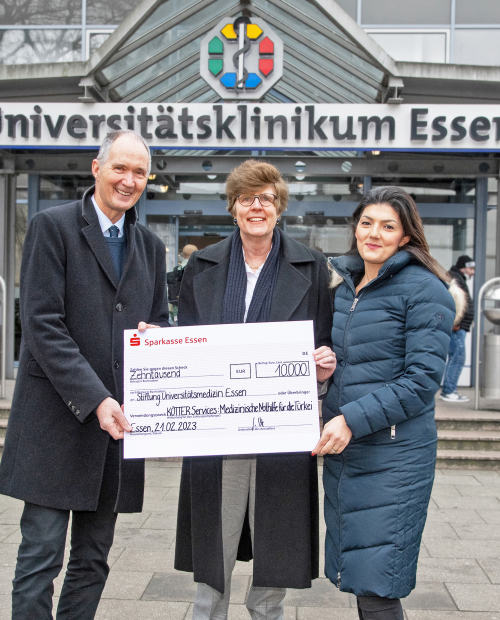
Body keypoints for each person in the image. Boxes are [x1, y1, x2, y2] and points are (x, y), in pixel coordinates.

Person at [0, 129, 170, 620]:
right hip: (58, 421)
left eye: (140, 172)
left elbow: (155, 321)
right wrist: (96, 398)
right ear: (97, 168)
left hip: (116, 431)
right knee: (40, 558)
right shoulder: (51, 227)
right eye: (120, 168)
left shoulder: (150, 247)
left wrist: (154, 336)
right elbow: (41, 324)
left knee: (93, 560)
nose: (129, 180)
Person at [174, 160, 336, 620]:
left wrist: (323, 366)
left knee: (276, 551)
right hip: (215, 431)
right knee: (213, 556)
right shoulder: (201, 266)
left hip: (280, 428)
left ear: (279, 207)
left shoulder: (312, 265)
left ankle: (267, 613)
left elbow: (321, 339)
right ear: (233, 207)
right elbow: (185, 340)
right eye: (247, 198)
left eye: (266, 198)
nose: (257, 206)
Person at [313, 187, 465, 620]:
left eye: (387, 226)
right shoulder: (346, 287)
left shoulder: (424, 289)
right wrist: (327, 373)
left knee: (379, 585)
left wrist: (349, 421)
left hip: (395, 455)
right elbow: (359, 364)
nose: (373, 233)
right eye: (366, 223)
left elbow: (421, 383)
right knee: (363, 578)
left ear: (405, 236)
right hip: (353, 452)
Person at [440, 255, 475, 402]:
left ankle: (450, 390)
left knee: (456, 358)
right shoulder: (455, 278)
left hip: (459, 327)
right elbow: (453, 300)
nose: (472, 272)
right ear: (464, 267)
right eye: (471, 268)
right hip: (456, 327)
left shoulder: (458, 278)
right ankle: (449, 391)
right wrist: (454, 322)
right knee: (457, 358)